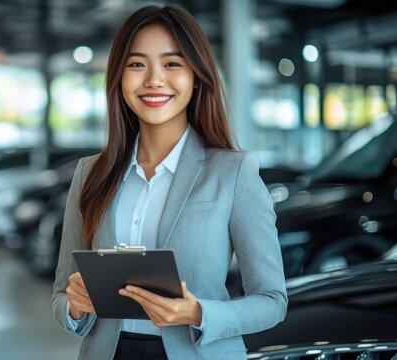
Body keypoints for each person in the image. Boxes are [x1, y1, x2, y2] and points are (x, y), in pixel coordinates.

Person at [50, 4, 287, 360]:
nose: (154, 79)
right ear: (119, 76)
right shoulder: (90, 173)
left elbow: (272, 301)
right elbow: (60, 294)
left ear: (196, 75)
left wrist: (199, 313)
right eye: (137, 64)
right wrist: (75, 307)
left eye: (172, 63)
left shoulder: (233, 171)